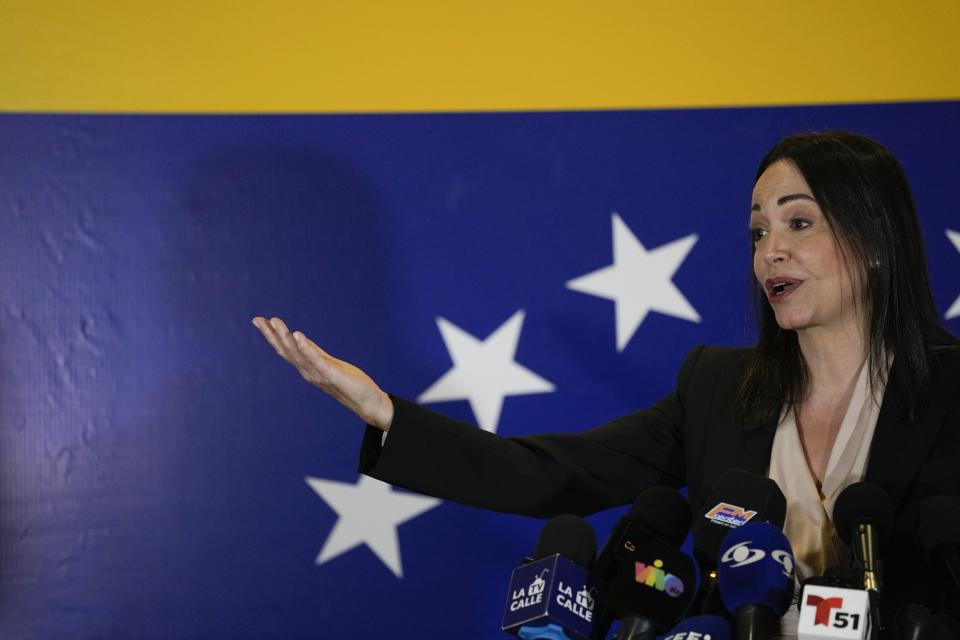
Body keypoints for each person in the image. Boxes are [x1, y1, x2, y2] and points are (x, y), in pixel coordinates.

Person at [252, 131, 960, 630]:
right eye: (755, 232)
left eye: (798, 222)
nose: (770, 250)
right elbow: (554, 476)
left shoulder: (952, 390)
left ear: (874, 242)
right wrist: (386, 417)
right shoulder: (716, 388)